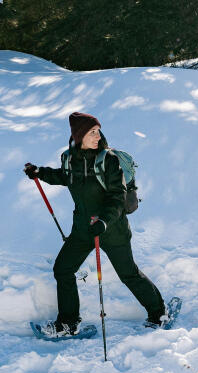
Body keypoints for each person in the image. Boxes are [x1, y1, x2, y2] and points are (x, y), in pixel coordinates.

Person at [24, 112, 166, 336]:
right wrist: (41, 173)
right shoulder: (70, 159)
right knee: (63, 269)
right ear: (79, 136)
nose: (98, 136)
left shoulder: (108, 160)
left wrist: (105, 221)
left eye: (98, 130)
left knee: (128, 274)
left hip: (112, 229)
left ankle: (159, 313)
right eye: (92, 132)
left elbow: (117, 196)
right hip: (83, 229)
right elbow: (65, 176)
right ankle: (69, 323)